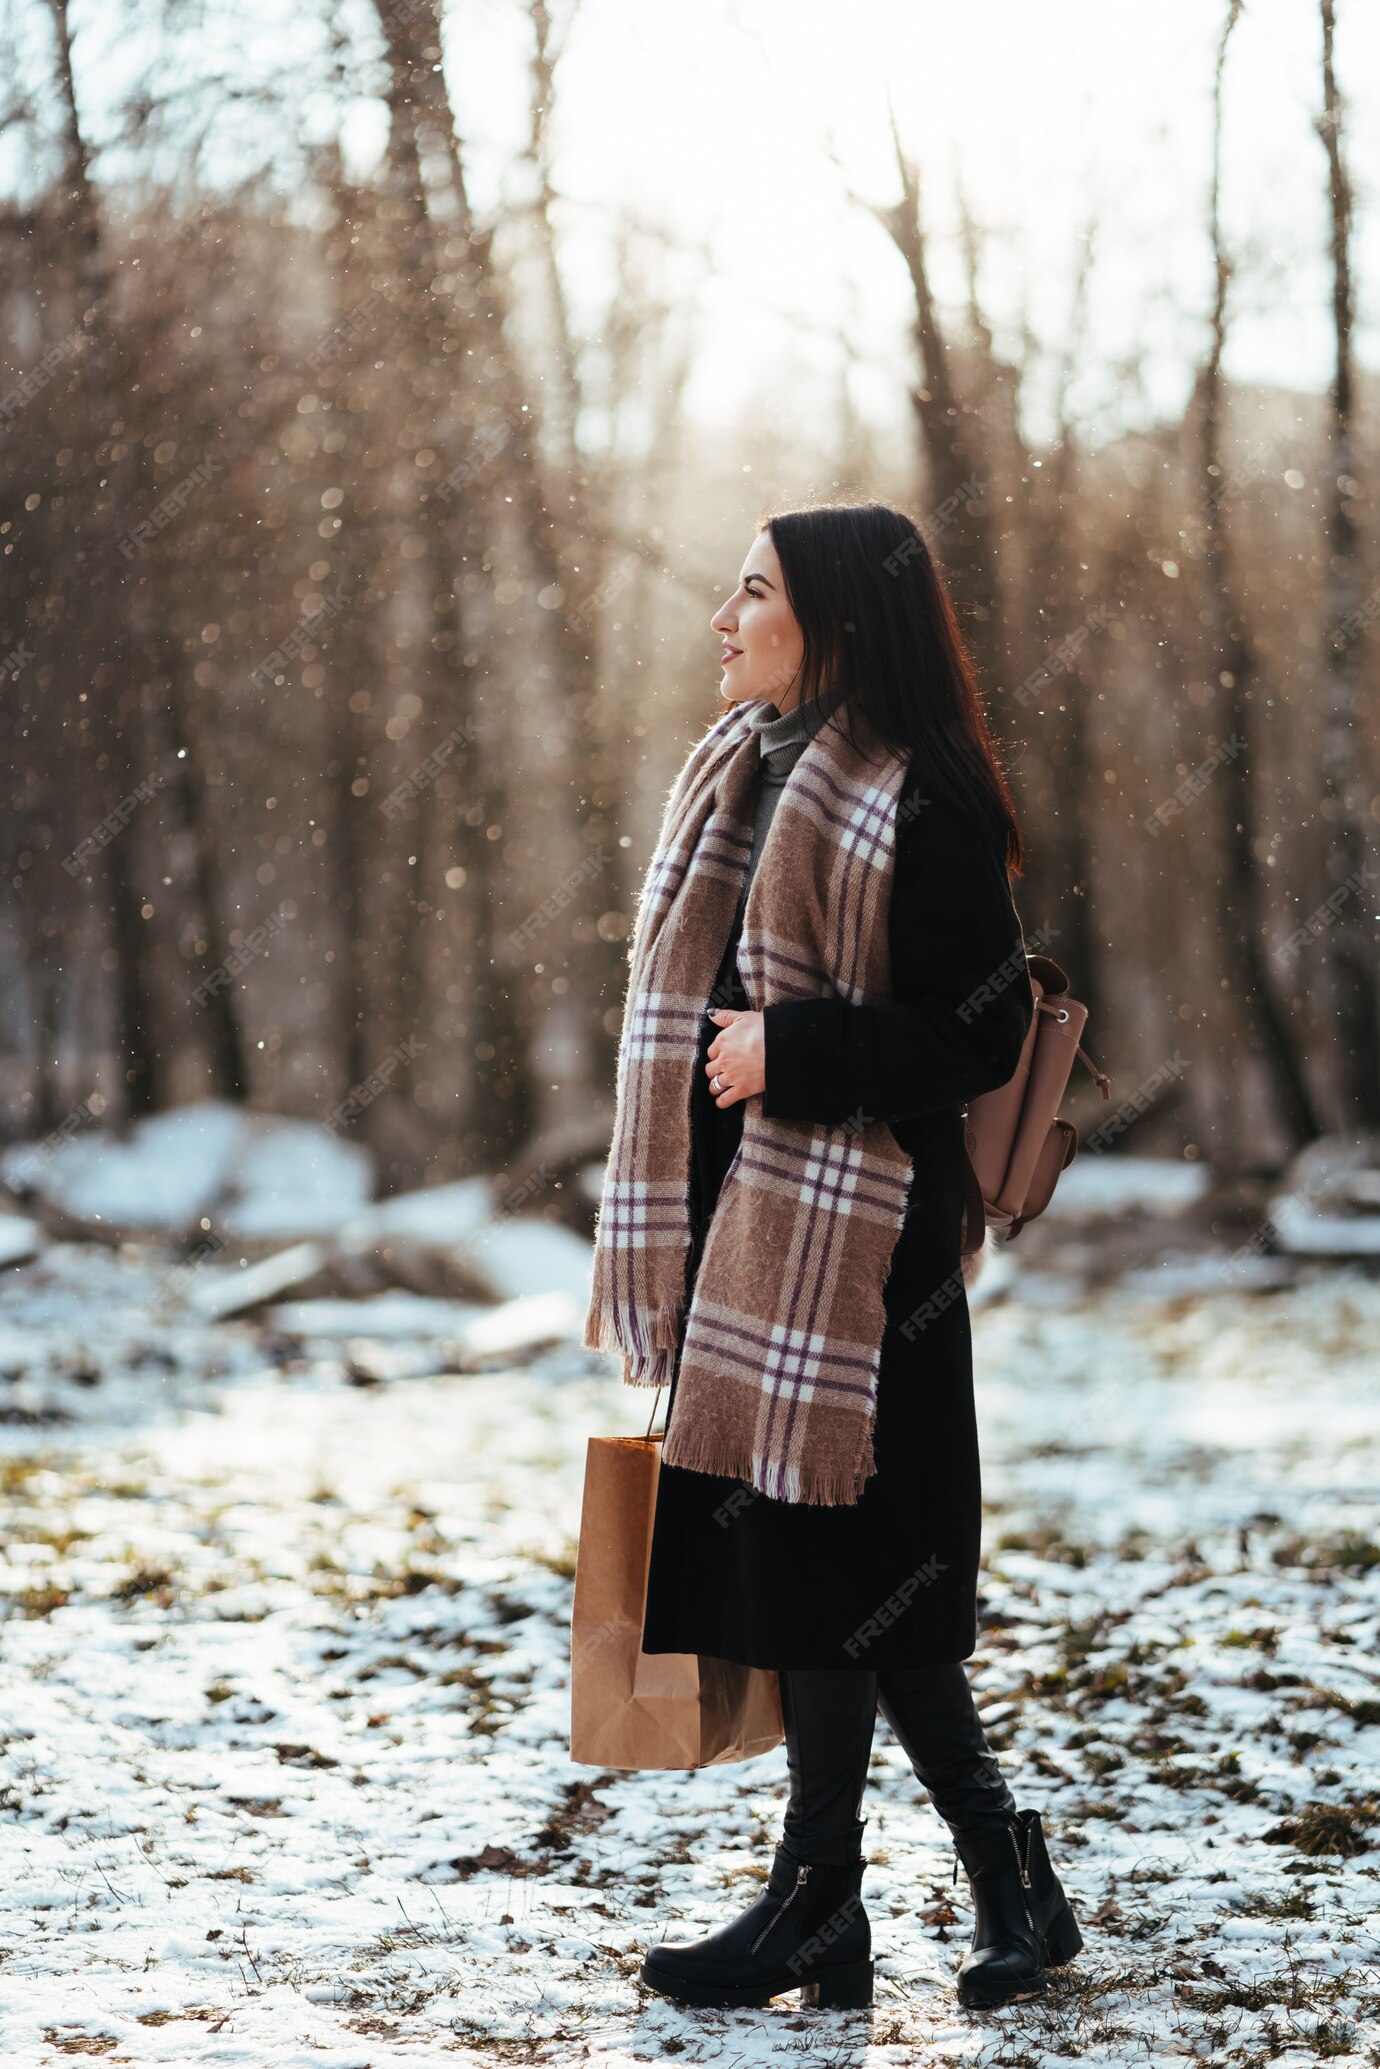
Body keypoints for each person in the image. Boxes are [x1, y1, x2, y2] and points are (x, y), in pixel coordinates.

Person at [584, 501, 1083, 2012]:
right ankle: (904, 1896)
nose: (724, 621)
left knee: (872, 1578)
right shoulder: (733, 775)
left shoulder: (914, 799)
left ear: (840, 623)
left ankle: (866, 1898)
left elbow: (984, 1026)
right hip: (750, 1248)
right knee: (822, 1579)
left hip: (871, 1251)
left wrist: (794, 1050)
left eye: (753, 594)